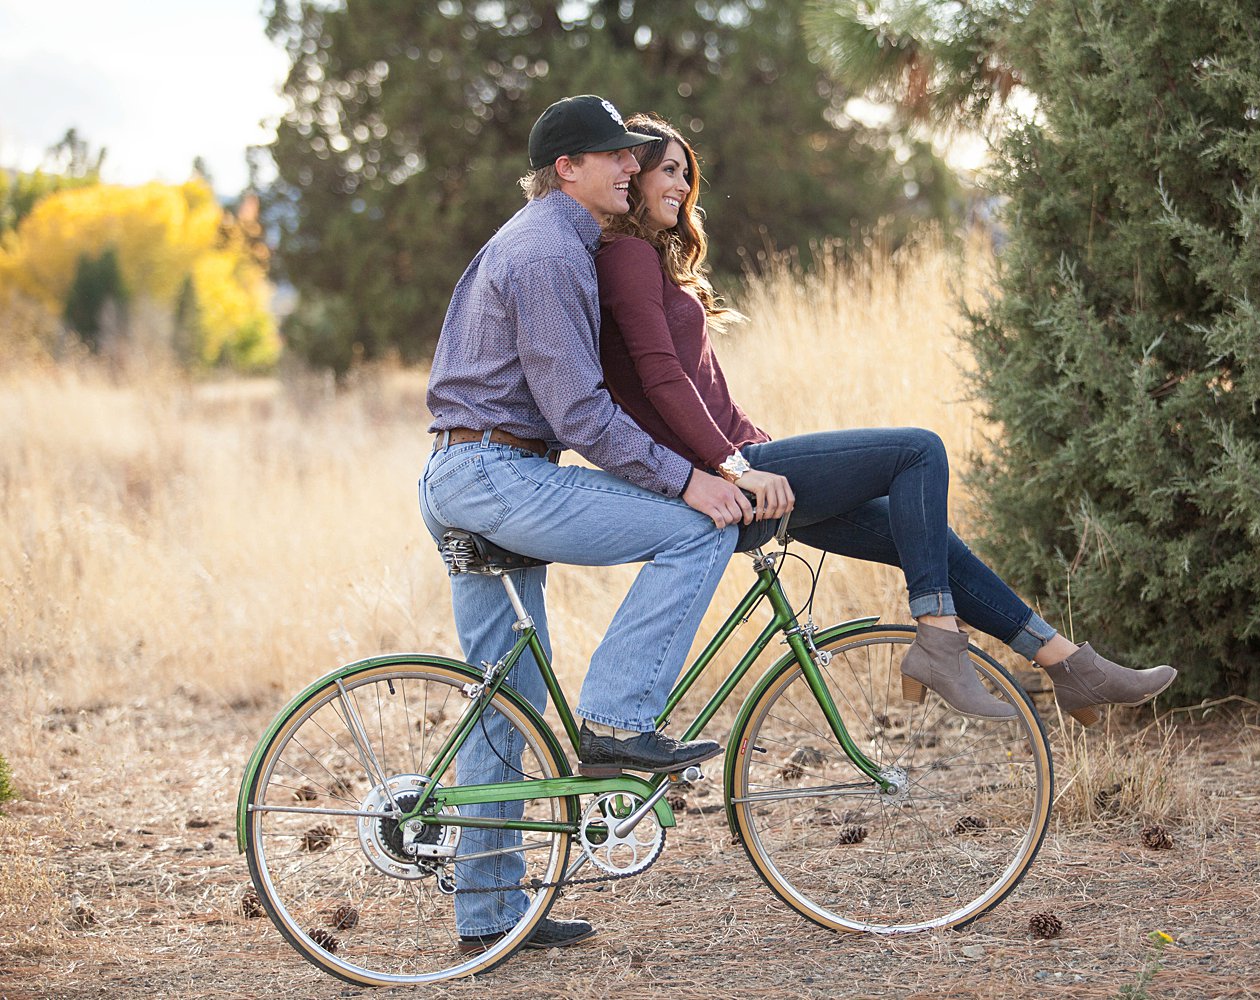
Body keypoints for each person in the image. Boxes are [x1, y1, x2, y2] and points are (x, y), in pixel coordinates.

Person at [594, 113, 1178, 723]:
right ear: (630, 173)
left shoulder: (648, 261)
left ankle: (1068, 665)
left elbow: (705, 388)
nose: (683, 187)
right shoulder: (628, 257)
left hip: (744, 468)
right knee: (917, 451)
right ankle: (938, 637)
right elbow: (662, 381)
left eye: (687, 175)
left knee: (922, 536)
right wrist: (736, 464)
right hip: (724, 482)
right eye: (668, 171)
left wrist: (756, 449)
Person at [419, 96, 758, 954]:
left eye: (633, 156)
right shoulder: (545, 252)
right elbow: (579, 413)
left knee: (507, 698)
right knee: (696, 529)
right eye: (613, 156)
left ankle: (491, 917)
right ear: (565, 168)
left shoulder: (553, 241)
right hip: (495, 473)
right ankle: (614, 719)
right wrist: (691, 482)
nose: (630, 168)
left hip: (475, 469)